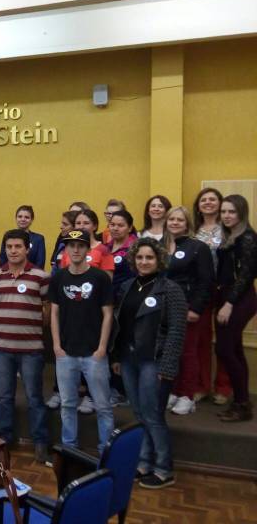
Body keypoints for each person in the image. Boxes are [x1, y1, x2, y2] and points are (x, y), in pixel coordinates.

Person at [112, 237, 187, 489]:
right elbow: (119, 325)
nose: (144, 262)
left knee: (153, 415)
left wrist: (167, 367)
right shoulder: (127, 286)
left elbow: (177, 331)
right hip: (129, 359)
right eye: (140, 257)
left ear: (159, 260)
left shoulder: (171, 290)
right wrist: (116, 357)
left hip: (153, 361)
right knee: (138, 413)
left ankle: (164, 469)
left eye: (150, 258)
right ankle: (143, 463)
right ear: (134, 260)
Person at [0, 229, 51, 463]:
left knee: (34, 397)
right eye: (9, 247)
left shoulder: (41, 276)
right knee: (4, 397)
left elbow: (47, 308)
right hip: (2, 346)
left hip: (31, 347)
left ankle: (40, 441)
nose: (13, 251)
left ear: (27, 249)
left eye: (18, 247)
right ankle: (5, 439)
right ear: (4, 249)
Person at [49, 229, 115, 453]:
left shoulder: (100, 278)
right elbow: (54, 313)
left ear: (88, 249)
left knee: (103, 406)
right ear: (66, 249)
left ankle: (106, 450)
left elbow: (108, 314)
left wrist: (102, 348)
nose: (75, 249)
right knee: (68, 404)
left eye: (80, 245)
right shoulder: (58, 277)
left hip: (93, 353)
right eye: (71, 245)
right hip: (65, 352)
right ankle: (69, 449)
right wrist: (56, 346)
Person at [163, 206, 214, 416]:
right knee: (170, 351)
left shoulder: (197, 247)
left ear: (187, 224)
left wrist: (195, 308)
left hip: (187, 308)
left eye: (180, 220)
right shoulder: (161, 246)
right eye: (172, 219)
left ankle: (187, 395)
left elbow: (206, 281)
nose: (175, 223)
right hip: (164, 307)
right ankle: (174, 391)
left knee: (187, 352)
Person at [215, 194, 257, 422]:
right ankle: (242, 400)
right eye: (224, 212)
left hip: (239, 298)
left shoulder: (248, 238)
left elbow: (246, 276)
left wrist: (229, 304)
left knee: (225, 350)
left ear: (241, 213)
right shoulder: (229, 236)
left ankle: (241, 404)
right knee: (234, 350)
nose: (227, 216)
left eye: (231, 212)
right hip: (227, 295)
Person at [193, 187, 232, 405]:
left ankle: (223, 387)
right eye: (204, 199)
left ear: (220, 203)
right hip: (202, 290)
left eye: (212, 199)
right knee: (201, 339)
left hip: (225, 288)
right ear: (198, 205)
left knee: (225, 341)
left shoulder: (228, 228)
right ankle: (201, 385)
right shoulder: (193, 230)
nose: (208, 202)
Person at [106, 210, 138, 296]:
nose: (115, 228)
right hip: (106, 297)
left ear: (130, 228)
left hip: (127, 296)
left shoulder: (136, 248)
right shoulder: (105, 247)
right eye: (112, 225)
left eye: (120, 225)